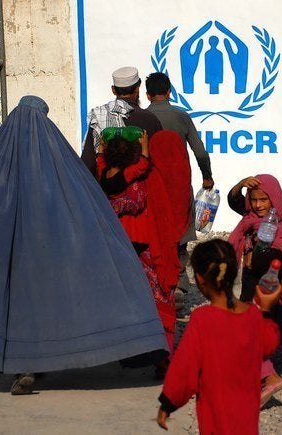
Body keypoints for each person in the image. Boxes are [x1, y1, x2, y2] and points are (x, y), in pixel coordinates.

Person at [0, 96, 168, 395]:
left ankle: (25, 367)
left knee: (20, 305)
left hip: (14, 252)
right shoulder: (59, 156)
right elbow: (87, 201)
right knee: (48, 305)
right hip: (50, 250)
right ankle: (57, 355)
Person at [156, 239, 281, 434]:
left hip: (216, 414)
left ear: (200, 280)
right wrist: (265, 309)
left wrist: (168, 403)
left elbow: (185, 368)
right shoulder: (253, 316)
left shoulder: (202, 319)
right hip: (246, 415)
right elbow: (269, 344)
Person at [96, 126, 186, 374]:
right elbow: (143, 167)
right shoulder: (138, 180)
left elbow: (101, 161)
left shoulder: (104, 176)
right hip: (143, 243)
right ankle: (162, 355)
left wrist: (102, 148)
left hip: (117, 243)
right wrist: (145, 149)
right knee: (158, 294)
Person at [227, 173, 282, 406]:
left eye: (263, 200)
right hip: (250, 290)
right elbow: (233, 200)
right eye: (254, 199)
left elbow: (277, 256)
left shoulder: (273, 227)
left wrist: (256, 258)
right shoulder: (250, 219)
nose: (258, 205)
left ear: (274, 200)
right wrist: (240, 185)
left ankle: (270, 378)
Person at [145, 71, 215, 300]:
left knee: (155, 232)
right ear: (169, 92)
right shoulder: (181, 117)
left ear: (147, 94)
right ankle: (180, 284)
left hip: (150, 185)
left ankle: (156, 281)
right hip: (178, 185)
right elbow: (200, 152)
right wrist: (207, 176)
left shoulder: (142, 118)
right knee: (180, 234)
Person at [81, 66, 162, 176]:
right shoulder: (150, 119)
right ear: (138, 88)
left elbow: (87, 162)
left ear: (113, 90)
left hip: (106, 189)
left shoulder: (99, 116)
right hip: (142, 190)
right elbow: (160, 160)